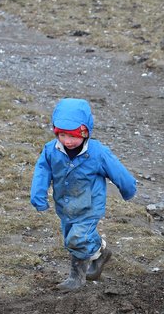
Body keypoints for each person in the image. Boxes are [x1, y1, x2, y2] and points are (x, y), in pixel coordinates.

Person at [30, 98, 137, 290]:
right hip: (65, 205)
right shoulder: (51, 151)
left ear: (86, 132)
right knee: (72, 238)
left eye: (73, 136)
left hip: (89, 205)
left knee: (77, 239)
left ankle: (76, 279)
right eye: (62, 135)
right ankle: (100, 252)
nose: (68, 141)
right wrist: (38, 194)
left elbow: (117, 171)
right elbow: (42, 172)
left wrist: (128, 188)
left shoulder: (97, 153)